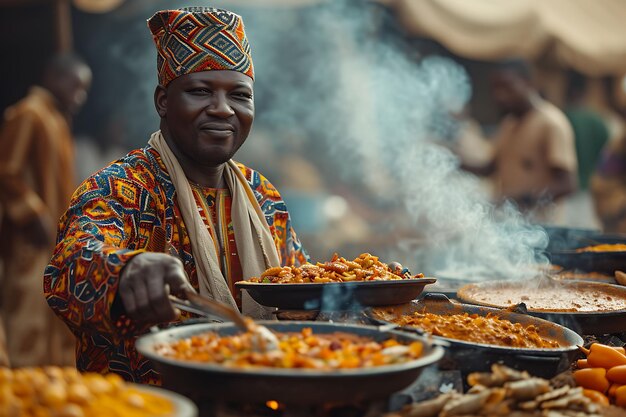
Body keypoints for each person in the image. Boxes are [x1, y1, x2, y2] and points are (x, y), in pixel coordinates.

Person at [45, 7, 308, 384]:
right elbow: (70, 269)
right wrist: (124, 271)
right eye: (200, 91)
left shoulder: (263, 196)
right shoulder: (120, 187)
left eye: (239, 95)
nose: (222, 109)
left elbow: (302, 286)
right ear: (163, 102)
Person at [0, 53, 92, 367]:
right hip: (29, 241)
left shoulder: (55, 119)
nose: (79, 97)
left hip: (52, 240)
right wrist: (34, 213)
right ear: (53, 77)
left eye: (84, 90)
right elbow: (6, 171)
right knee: (27, 318)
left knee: (50, 314)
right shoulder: (29, 113)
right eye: (75, 86)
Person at [467, 60, 578, 222]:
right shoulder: (509, 124)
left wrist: (521, 199)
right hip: (513, 224)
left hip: (544, 227)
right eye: (495, 89)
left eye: (507, 87)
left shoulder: (551, 123)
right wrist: (449, 159)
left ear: (528, 83)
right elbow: (490, 168)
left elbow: (567, 185)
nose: (500, 95)